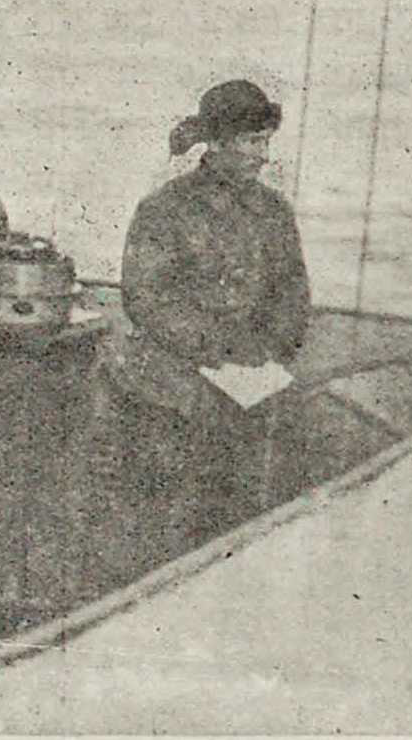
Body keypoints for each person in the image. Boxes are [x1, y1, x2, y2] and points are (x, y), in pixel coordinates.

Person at [105, 79, 311, 552]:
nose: (263, 155)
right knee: (173, 519)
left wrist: (271, 347)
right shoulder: (166, 209)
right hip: (175, 387)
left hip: (253, 382)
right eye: (252, 142)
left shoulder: (273, 211)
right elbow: (147, 299)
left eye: (266, 142)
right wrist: (220, 347)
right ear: (216, 144)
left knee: (251, 509)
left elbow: (293, 291)